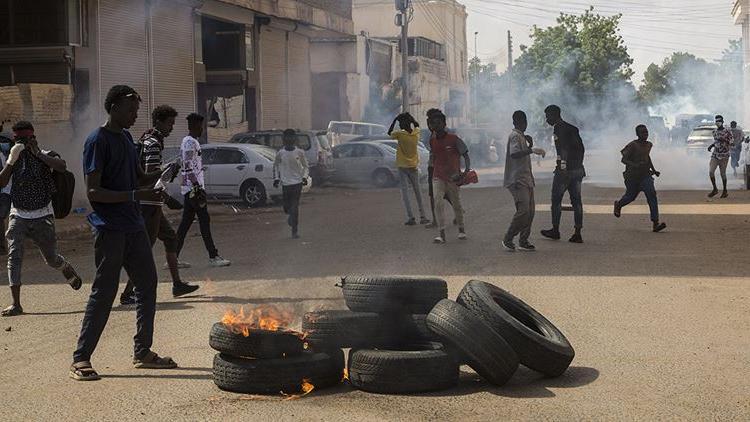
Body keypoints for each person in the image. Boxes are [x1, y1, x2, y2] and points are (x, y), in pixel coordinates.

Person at [72, 85, 178, 381]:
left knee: (148, 284)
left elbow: (140, 177)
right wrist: (134, 194)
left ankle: (142, 352)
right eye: (130, 110)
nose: (135, 116)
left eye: (136, 111)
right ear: (114, 107)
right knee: (104, 292)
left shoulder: (128, 139)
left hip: (133, 226)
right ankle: (81, 358)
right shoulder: (97, 140)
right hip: (110, 228)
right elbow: (94, 191)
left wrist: (163, 172)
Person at [0, 121, 83, 317]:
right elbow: (2, 182)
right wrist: (11, 160)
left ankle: (64, 266)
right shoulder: (13, 159)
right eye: (18, 140)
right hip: (18, 214)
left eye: (26, 139)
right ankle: (16, 304)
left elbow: (62, 167)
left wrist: (38, 153)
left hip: (42, 216)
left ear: (33, 138)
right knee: (14, 257)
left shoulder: (46, 154)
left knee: (51, 259)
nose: (22, 144)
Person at [119, 105, 200, 306]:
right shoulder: (153, 143)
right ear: (159, 122)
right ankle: (129, 293)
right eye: (169, 123)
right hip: (148, 203)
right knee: (144, 250)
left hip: (152, 201)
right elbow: (149, 176)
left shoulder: (150, 140)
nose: (171, 128)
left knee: (171, 239)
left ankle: (177, 284)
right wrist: (167, 191)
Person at [175, 113, 230, 267]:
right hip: (194, 190)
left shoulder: (192, 142)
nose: (202, 130)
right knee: (204, 221)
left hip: (191, 189)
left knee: (185, 224)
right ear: (193, 126)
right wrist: (197, 187)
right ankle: (213, 256)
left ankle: (173, 257)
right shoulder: (189, 142)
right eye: (200, 126)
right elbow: (187, 165)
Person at [541, 105, 586, 244]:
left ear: (555, 115)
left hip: (565, 172)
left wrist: (563, 168)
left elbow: (563, 150)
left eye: (548, 116)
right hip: (578, 170)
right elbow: (582, 149)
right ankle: (577, 233)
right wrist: (578, 166)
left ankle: (555, 230)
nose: (547, 119)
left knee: (556, 201)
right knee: (577, 202)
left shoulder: (559, 129)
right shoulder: (573, 128)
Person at [502, 111, 546, 252]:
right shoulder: (515, 136)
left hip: (526, 179)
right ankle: (508, 238)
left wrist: (529, 146)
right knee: (524, 211)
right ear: (521, 122)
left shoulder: (520, 136)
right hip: (517, 180)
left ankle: (523, 240)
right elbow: (514, 154)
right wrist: (531, 150)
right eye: (524, 121)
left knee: (530, 211)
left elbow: (521, 154)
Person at [613, 125, 667, 233]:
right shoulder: (632, 145)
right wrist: (635, 165)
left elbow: (647, 157)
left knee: (652, 195)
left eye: (646, 132)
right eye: (643, 133)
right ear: (637, 134)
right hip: (632, 176)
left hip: (645, 175)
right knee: (630, 197)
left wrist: (654, 170)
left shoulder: (649, 145)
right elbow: (623, 159)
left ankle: (655, 223)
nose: (645, 135)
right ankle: (619, 204)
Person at [428, 109, 470, 244]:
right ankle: (441, 234)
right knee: (438, 202)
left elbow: (465, 154)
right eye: (433, 123)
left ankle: (461, 230)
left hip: (453, 177)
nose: (436, 126)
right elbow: (434, 157)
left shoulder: (454, 139)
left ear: (444, 124)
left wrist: (465, 171)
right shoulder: (432, 141)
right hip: (438, 176)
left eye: (438, 123)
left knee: (456, 204)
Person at [388, 113, 429, 226]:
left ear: (402, 124)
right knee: (418, 192)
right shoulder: (416, 133)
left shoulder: (400, 134)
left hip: (402, 166)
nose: (400, 125)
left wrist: (395, 120)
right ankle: (423, 216)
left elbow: (389, 133)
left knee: (405, 193)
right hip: (413, 166)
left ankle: (411, 217)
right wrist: (411, 119)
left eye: (401, 123)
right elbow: (416, 125)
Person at [273, 129, 309, 239]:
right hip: (286, 183)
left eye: (291, 138)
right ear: (284, 140)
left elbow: (306, 166)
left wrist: (304, 177)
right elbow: (275, 166)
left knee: (295, 207)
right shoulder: (280, 153)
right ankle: (290, 218)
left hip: (297, 183)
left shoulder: (300, 152)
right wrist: (276, 178)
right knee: (287, 208)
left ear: (294, 139)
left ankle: (294, 231)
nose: (289, 140)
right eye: (286, 138)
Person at [708, 115, 733, 198]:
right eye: (716, 121)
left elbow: (732, 143)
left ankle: (725, 190)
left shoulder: (727, 131)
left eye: (719, 121)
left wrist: (725, 140)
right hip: (715, 155)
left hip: (724, 155)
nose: (717, 122)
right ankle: (715, 189)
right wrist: (711, 146)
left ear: (722, 122)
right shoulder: (714, 132)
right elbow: (716, 141)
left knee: (723, 173)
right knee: (711, 172)